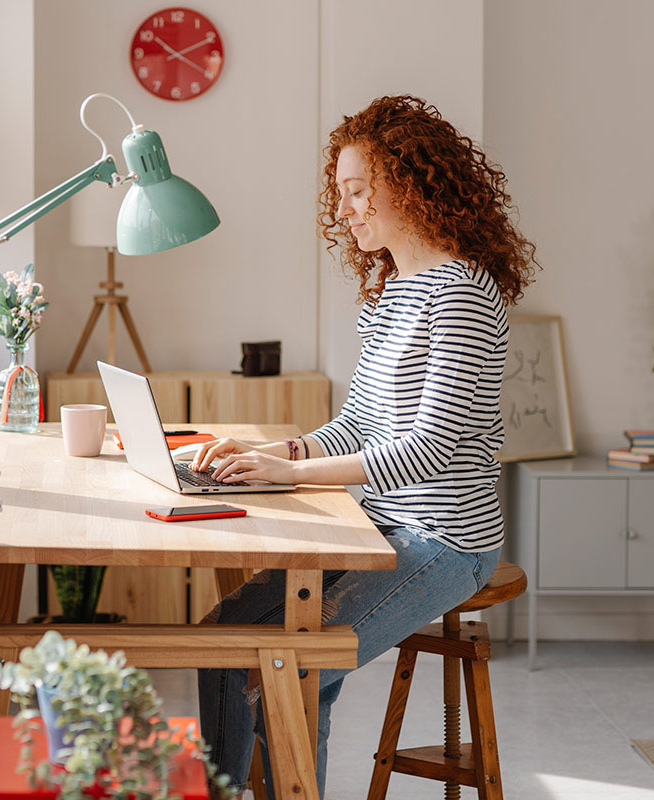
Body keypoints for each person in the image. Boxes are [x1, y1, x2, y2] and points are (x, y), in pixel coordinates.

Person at [193, 95, 538, 798]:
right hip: (381, 525)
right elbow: (358, 424)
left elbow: (429, 449)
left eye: (358, 192)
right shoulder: (392, 295)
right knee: (225, 633)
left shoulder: (463, 294)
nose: (345, 211)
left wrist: (285, 478)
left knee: (294, 661)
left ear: (410, 186)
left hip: (444, 539)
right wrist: (276, 454)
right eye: (341, 194)